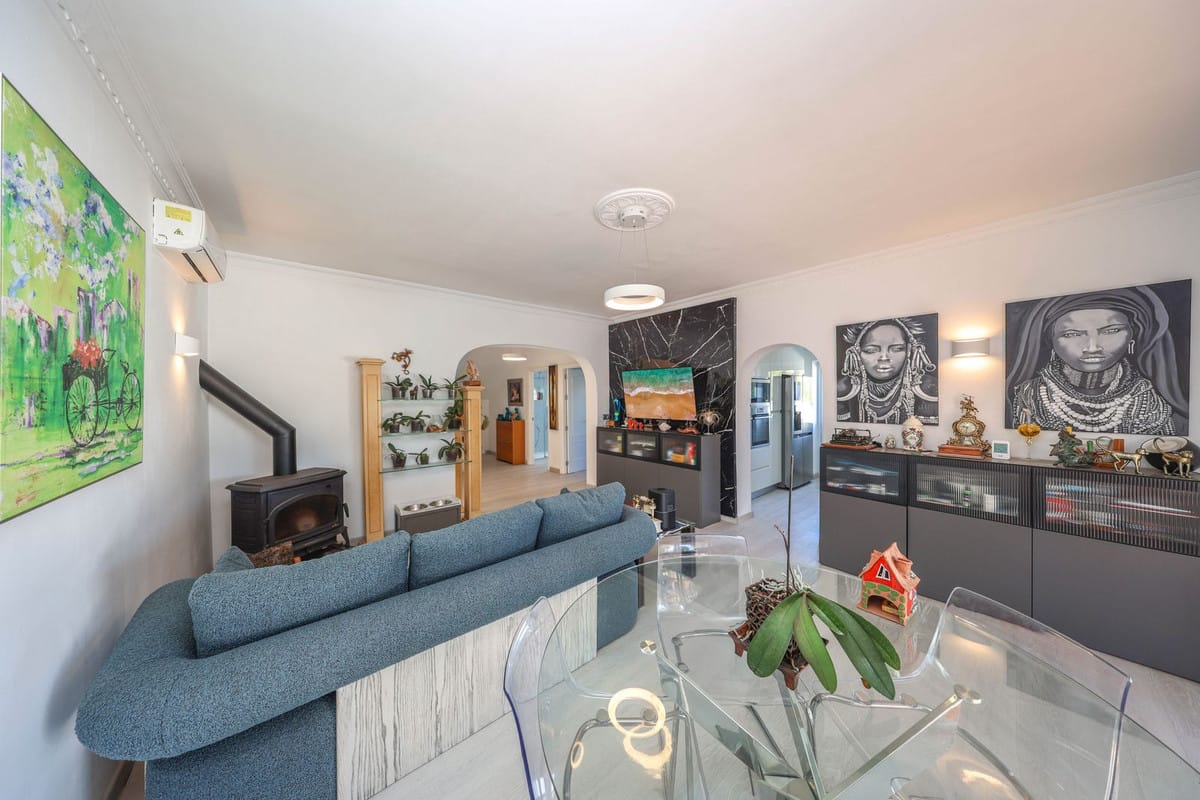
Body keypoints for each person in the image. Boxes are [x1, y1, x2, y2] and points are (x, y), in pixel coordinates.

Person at [1007, 285, 1186, 435]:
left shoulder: (1151, 400)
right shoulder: (1029, 395)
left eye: (1111, 331)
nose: (1092, 348)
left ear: (1133, 335)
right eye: (1072, 334)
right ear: (1051, 340)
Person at [837, 317, 938, 424]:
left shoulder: (928, 389)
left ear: (909, 350)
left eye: (897, 349)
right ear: (856, 353)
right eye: (871, 350)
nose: (884, 358)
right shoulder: (843, 390)